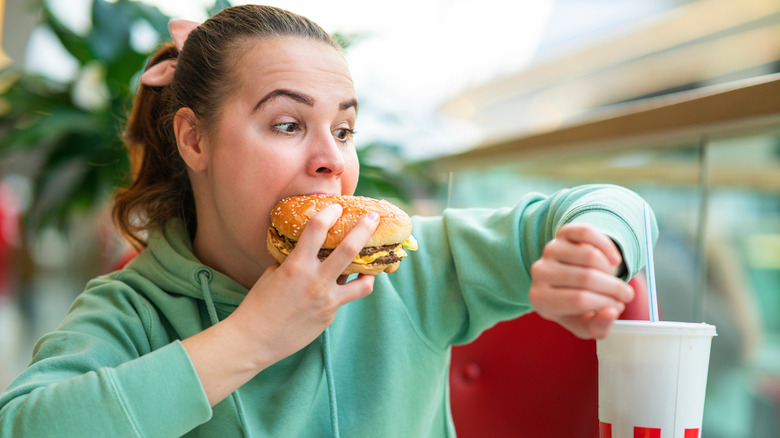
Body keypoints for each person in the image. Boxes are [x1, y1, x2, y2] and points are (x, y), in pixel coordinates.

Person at [0, 5, 656, 437]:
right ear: (195, 141)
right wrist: (253, 336)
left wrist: (594, 247)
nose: (329, 160)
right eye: (288, 125)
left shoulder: (408, 262)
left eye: (343, 129)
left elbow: (612, 202)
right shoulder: (132, 308)